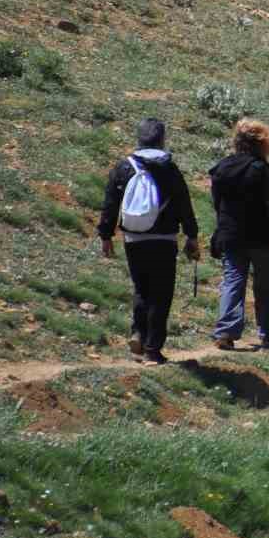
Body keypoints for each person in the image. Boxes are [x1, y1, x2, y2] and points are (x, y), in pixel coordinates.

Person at [98, 118, 200, 364]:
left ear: (139, 138)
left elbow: (111, 203)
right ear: (162, 139)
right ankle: (153, 349)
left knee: (142, 288)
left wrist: (105, 235)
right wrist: (192, 235)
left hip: (133, 238)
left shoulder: (123, 167)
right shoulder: (169, 168)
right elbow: (184, 204)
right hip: (164, 239)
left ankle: (138, 333)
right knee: (161, 292)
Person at [208, 119, 269, 351]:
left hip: (231, 236)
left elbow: (217, 204)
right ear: (262, 143)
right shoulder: (261, 169)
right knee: (266, 285)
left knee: (233, 280)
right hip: (261, 238)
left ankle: (225, 333)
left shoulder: (221, 168)